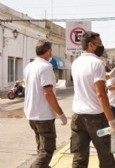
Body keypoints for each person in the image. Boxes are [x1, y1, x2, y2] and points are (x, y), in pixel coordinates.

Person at [71, 31, 115, 168]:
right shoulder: (97, 63)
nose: (102, 47)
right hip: (96, 119)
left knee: (79, 157)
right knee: (106, 156)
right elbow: (101, 94)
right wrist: (111, 121)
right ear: (91, 45)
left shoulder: (76, 63)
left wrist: (108, 76)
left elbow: (87, 80)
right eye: (100, 44)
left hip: (78, 118)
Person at [23, 39, 68, 168]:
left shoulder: (29, 66)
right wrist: (61, 113)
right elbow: (48, 92)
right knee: (47, 152)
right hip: (43, 116)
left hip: (31, 114)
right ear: (48, 51)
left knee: (41, 150)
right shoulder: (46, 67)